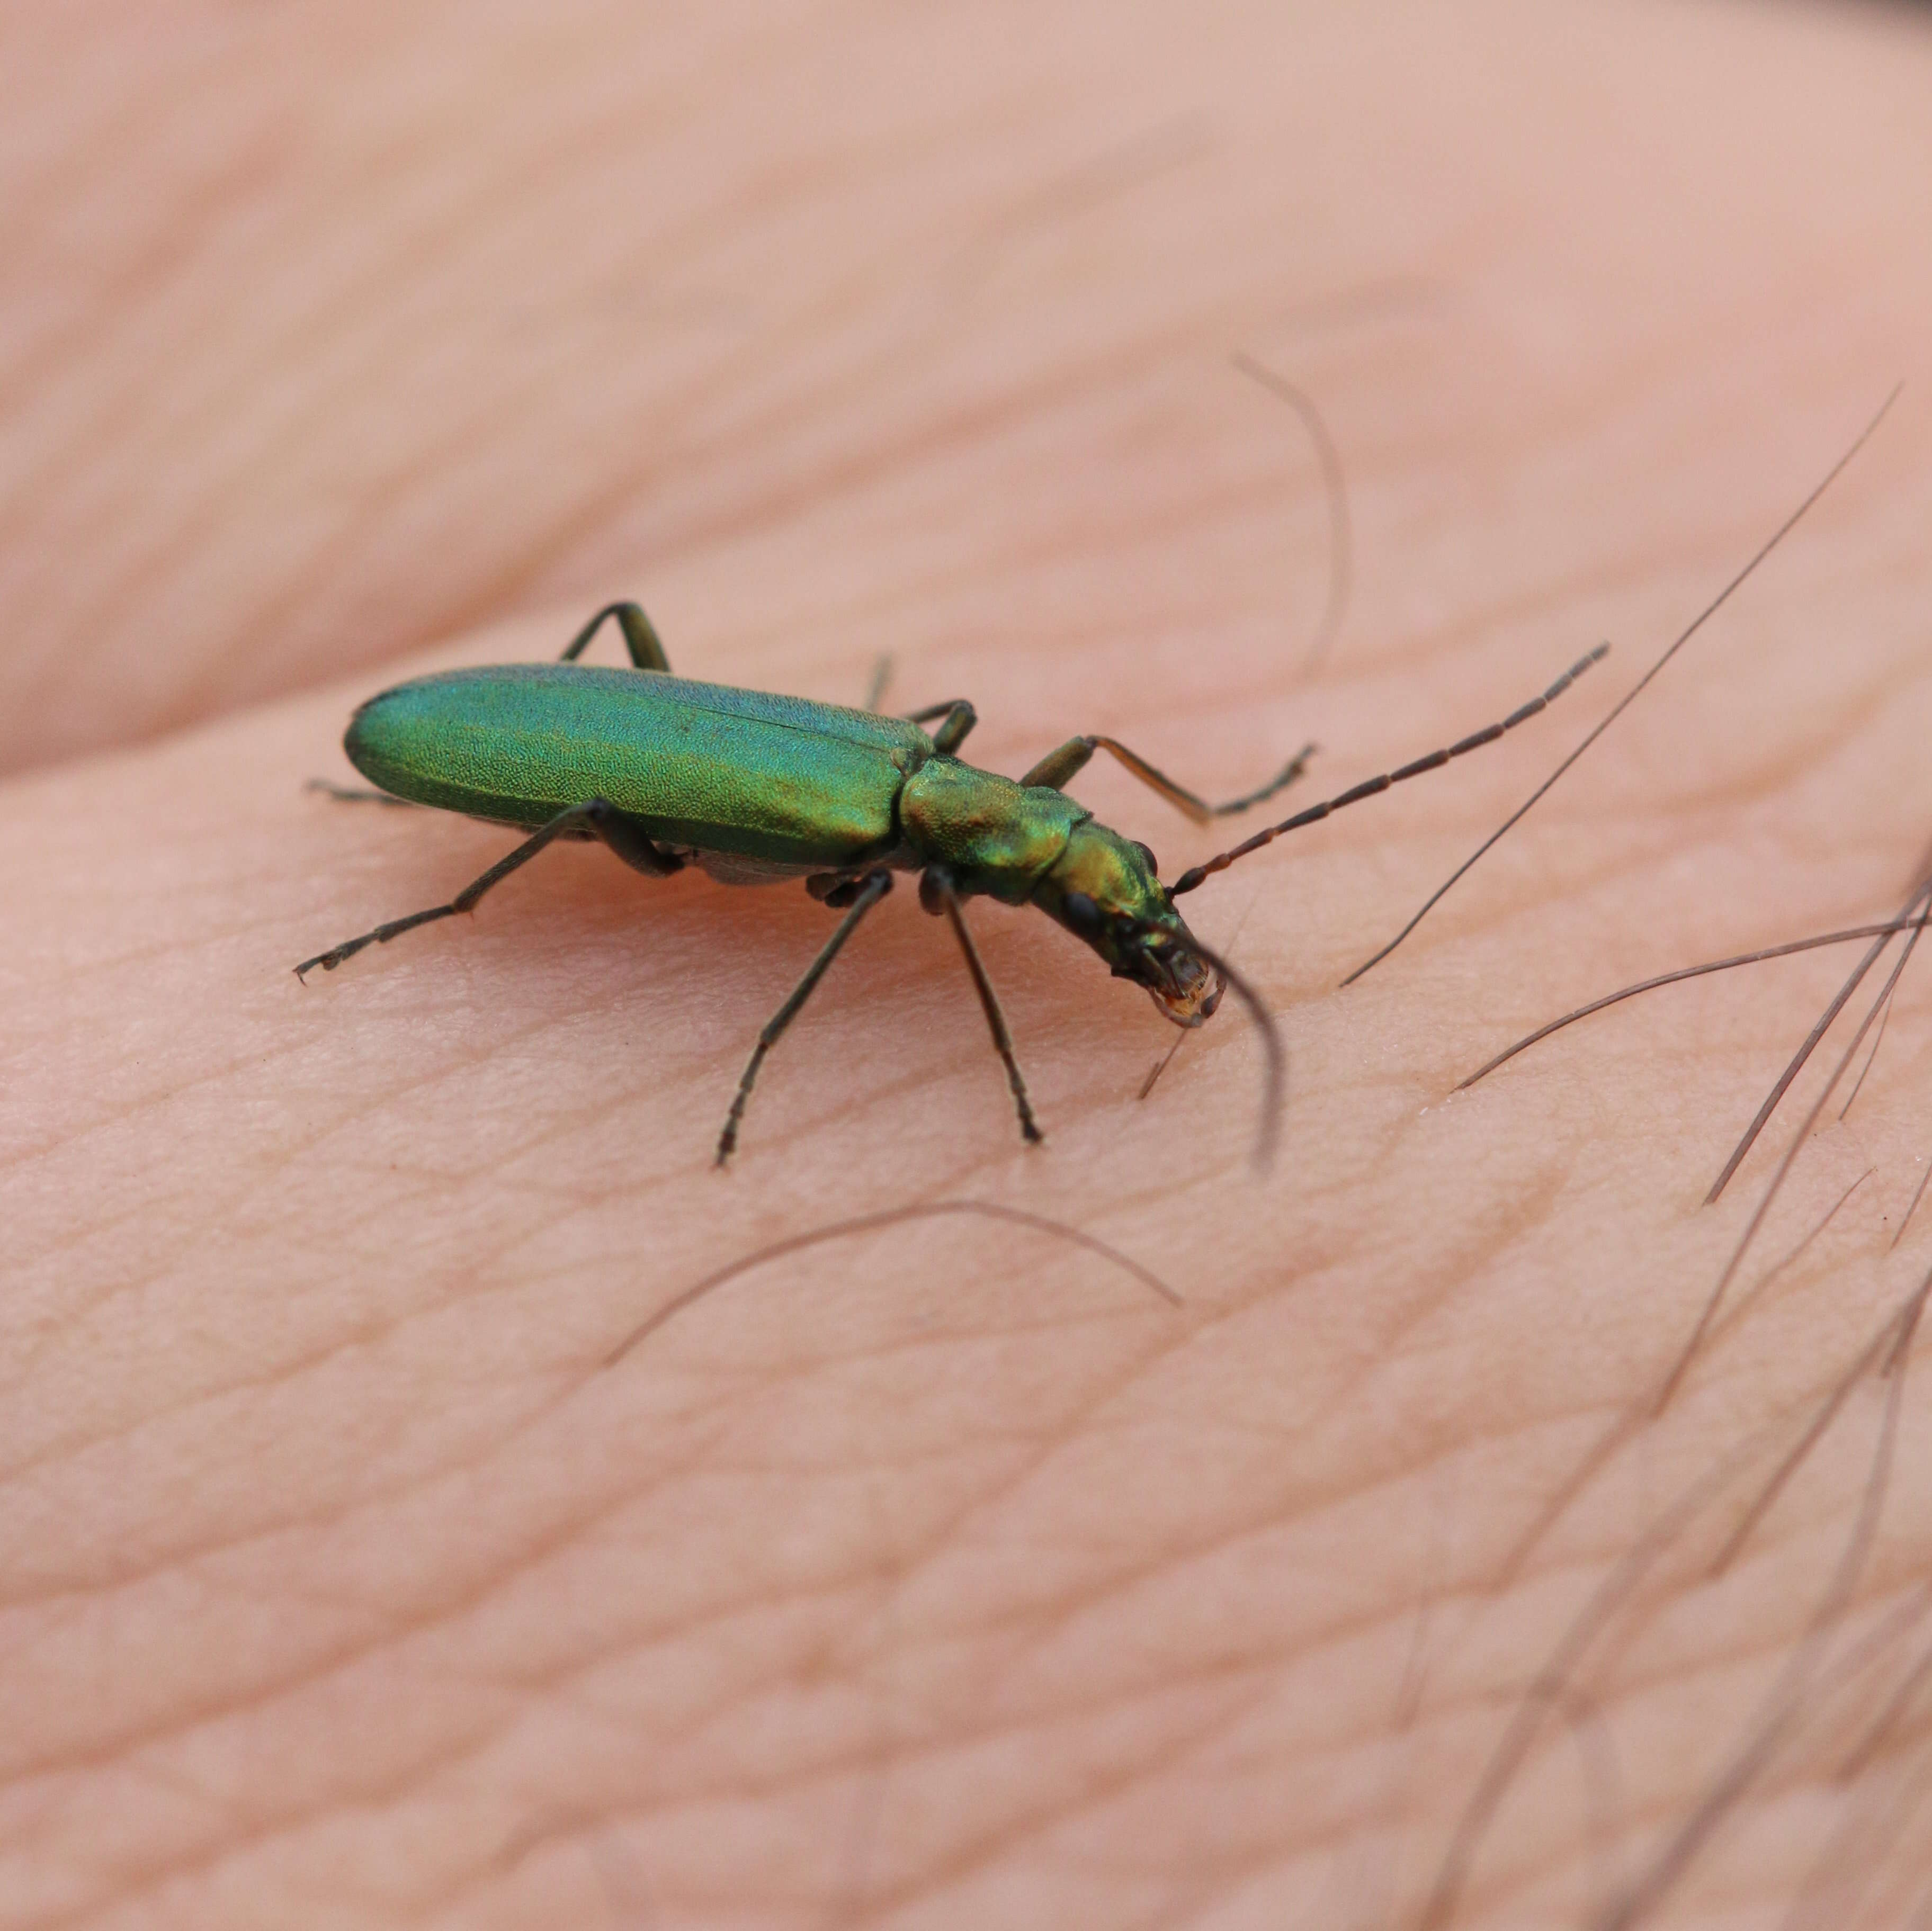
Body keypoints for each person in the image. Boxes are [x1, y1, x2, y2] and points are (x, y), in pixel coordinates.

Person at [6, 1, 1931, 1922]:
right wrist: (853, 1066)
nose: (1108, 906)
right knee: (624, 826)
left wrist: (1161, 873)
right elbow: (899, 944)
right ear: (1008, 853)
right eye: (1101, 892)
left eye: (1111, 892)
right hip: (529, 749)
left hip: (752, 753)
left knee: (699, 791)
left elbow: (1051, 876)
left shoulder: (950, 781)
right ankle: (427, 902)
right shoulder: (883, 833)